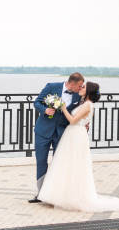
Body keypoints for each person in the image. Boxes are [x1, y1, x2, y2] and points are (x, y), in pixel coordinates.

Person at [37, 82, 119, 212]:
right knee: (66, 165)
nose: (80, 88)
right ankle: (61, 195)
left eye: (83, 87)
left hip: (76, 135)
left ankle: (72, 197)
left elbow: (73, 120)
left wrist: (63, 107)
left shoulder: (88, 105)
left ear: (88, 92)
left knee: (74, 165)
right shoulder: (83, 102)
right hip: (72, 134)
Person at [29, 72, 84, 203]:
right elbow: (37, 102)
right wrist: (45, 110)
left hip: (62, 133)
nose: (81, 88)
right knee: (41, 161)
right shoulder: (51, 87)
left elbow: (80, 112)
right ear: (71, 83)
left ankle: (55, 194)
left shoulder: (79, 95)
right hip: (43, 131)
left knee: (58, 163)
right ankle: (41, 194)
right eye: (80, 85)